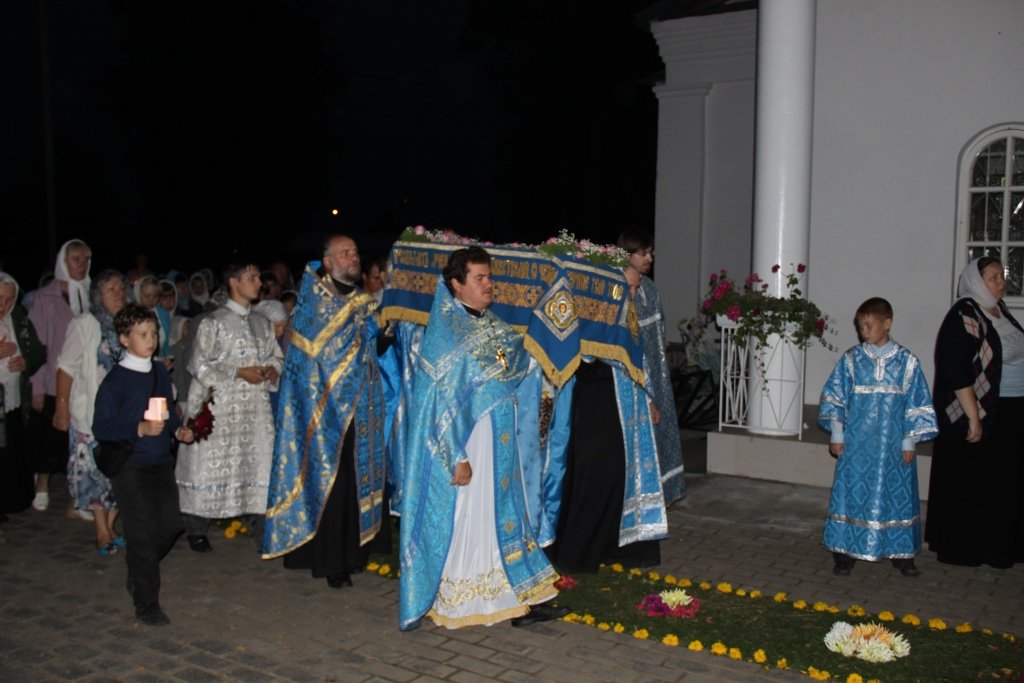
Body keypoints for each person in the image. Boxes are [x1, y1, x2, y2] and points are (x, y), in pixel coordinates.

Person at [399, 246, 566, 630]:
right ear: (456, 285)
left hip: (500, 440)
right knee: (471, 514)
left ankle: (516, 596)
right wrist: (455, 456)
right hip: (470, 444)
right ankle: (466, 599)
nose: (489, 284)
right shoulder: (445, 336)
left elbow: (522, 362)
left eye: (490, 277)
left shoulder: (495, 326)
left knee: (501, 514)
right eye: (480, 278)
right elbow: (436, 406)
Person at [263, 235, 388, 588]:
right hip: (323, 410)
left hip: (360, 407)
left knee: (356, 480)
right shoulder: (314, 301)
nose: (353, 257)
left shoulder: (362, 300)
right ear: (328, 262)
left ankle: (355, 555)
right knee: (332, 484)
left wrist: (386, 330)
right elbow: (316, 357)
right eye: (345, 253)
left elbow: (372, 348)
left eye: (355, 252)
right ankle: (332, 562)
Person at [818, 297, 938, 576]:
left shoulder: (907, 363)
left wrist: (909, 441)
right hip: (857, 447)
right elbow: (835, 397)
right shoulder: (851, 360)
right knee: (852, 494)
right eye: (861, 325)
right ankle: (844, 551)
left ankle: (901, 552)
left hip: (893, 448)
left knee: (895, 496)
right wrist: (838, 434)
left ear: (887, 323)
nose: (864, 331)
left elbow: (916, 403)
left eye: (869, 325)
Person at [93, 304, 195, 626]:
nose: (151, 340)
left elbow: (164, 414)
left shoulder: (158, 373)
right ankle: (147, 604)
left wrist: (178, 431)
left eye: (153, 333)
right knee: (141, 534)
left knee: (169, 526)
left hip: (160, 462)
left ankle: (138, 566)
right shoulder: (116, 381)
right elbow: (101, 427)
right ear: (124, 339)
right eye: (142, 334)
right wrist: (137, 427)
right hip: (130, 466)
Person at [176, 259, 282, 552]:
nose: (258, 283)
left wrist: (272, 370)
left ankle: (261, 531)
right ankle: (196, 528)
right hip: (219, 407)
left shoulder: (263, 323)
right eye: (251, 277)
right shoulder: (212, 322)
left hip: (254, 410)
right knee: (208, 465)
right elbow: (198, 364)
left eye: (258, 277)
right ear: (234, 282)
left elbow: (275, 356)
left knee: (256, 464)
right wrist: (238, 373)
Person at [926, 257, 1024, 568]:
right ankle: (969, 548)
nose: (1000, 282)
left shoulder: (999, 309)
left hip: (1011, 409)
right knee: (977, 483)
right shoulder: (965, 315)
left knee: (1004, 482)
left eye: (1001, 276)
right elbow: (956, 370)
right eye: (993, 277)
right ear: (976, 281)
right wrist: (973, 417)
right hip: (982, 410)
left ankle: (1002, 547)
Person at [54, 270, 131, 554]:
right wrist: (61, 406)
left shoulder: (130, 323)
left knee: (123, 471)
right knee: (95, 474)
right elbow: (66, 367)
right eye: (111, 289)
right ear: (98, 295)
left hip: (124, 414)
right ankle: (102, 532)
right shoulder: (84, 324)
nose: (118, 294)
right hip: (91, 413)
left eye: (121, 288)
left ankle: (110, 525)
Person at [618, 228, 685, 505]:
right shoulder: (619, 288)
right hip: (634, 374)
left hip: (657, 373)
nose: (649, 258)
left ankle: (661, 493)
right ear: (627, 254)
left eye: (651, 253)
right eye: (643, 253)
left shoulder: (650, 288)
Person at [28, 239, 92, 513]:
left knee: (77, 442)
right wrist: (38, 387)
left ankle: (76, 496)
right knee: (49, 438)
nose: (82, 264)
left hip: (82, 381)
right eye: (76, 259)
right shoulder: (46, 298)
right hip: (53, 380)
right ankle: (42, 483)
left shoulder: (88, 294)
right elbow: (38, 346)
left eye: (86, 259)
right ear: (63, 263)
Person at [0, 273, 46, 518]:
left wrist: (25, 362)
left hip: (13, 401)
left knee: (10, 458)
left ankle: (7, 504)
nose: (3, 305)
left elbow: (38, 351)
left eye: (9, 299)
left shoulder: (17, 319)